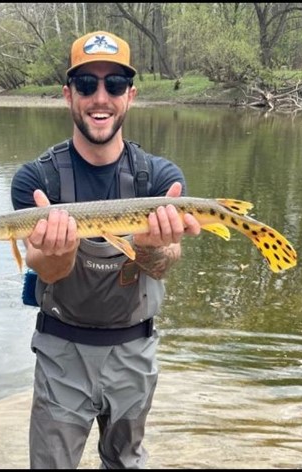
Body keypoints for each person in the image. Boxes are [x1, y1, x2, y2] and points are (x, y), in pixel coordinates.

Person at [11, 30, 201, 469]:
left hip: (134, 350)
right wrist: (57, 252)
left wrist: (150, 246)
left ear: (130, 96)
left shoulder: (159, 177)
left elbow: (164, 263)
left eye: (114, 85)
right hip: (61, 350)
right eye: (86, 85)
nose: (101, 97)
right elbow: (47, 270)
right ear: (67, 95)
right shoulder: (35, 181)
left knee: (126, 464)